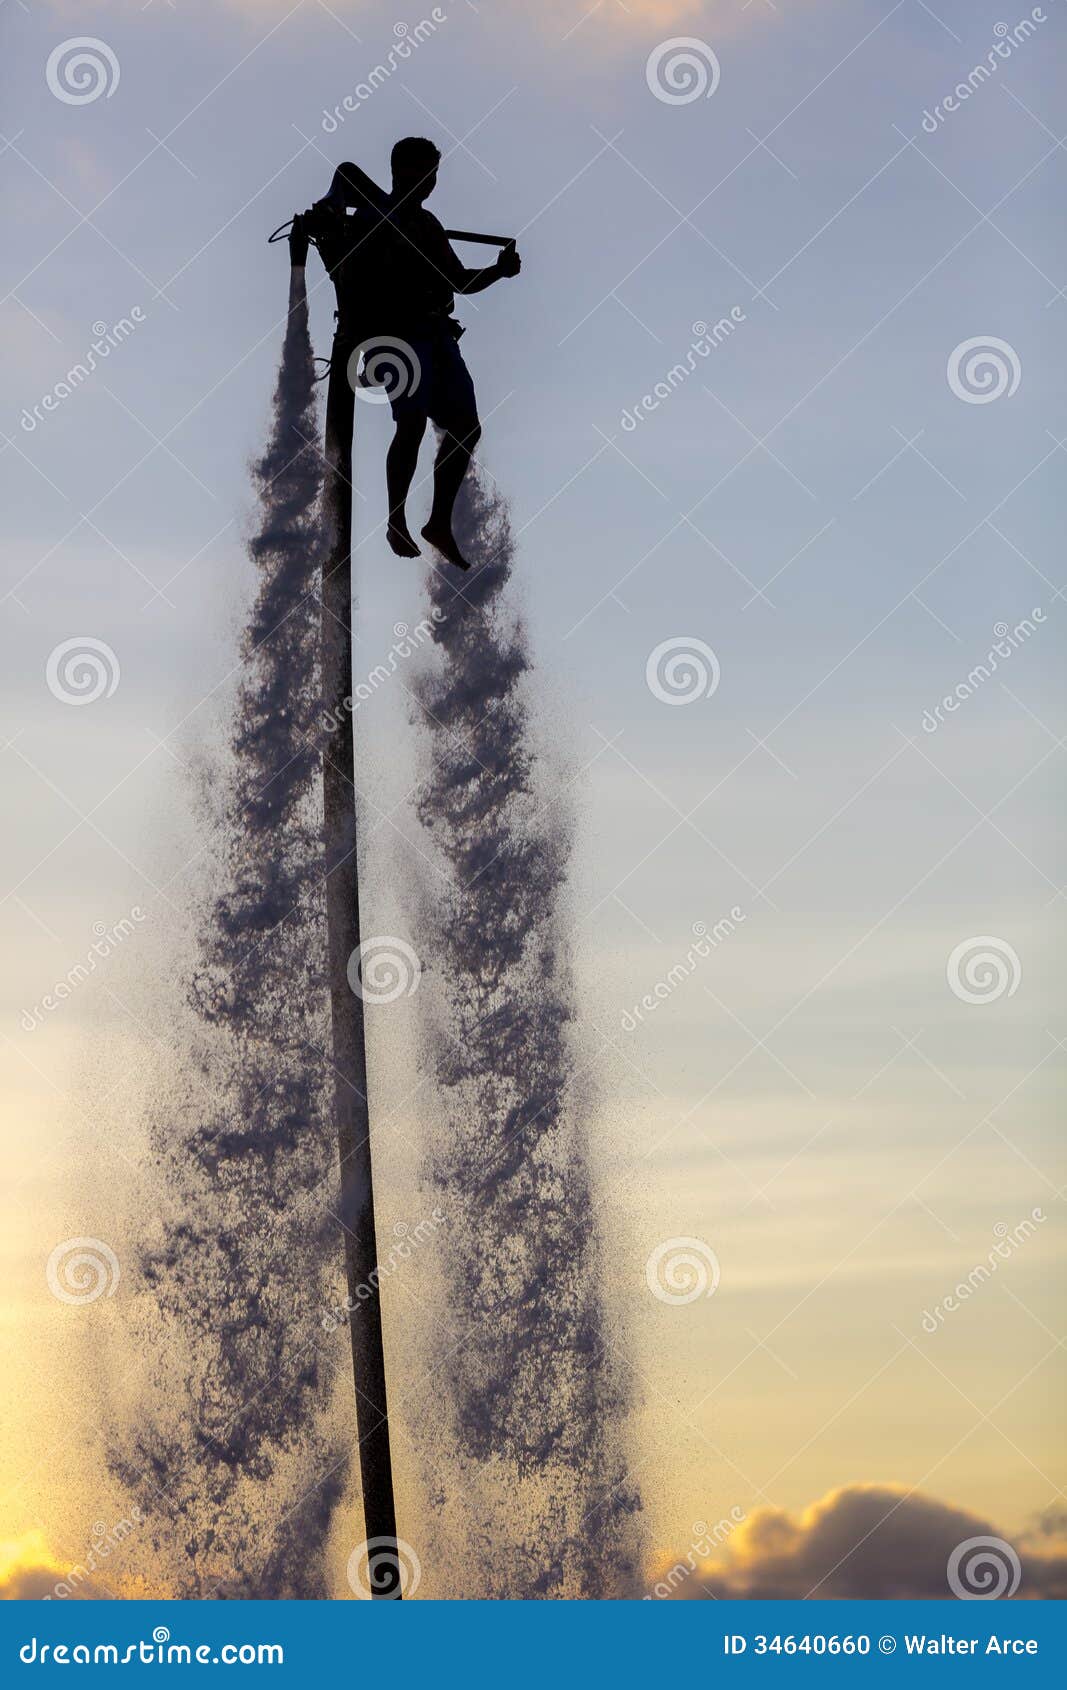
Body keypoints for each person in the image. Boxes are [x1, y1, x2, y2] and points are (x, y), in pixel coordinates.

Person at [315, 138, 521, 571]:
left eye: (432, 174)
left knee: (467, 426)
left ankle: (439, 522)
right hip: (393, 336)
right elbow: (345, 177)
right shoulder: (371, 212)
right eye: (423, 172)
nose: (429, 182)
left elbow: (460, 281)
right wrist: (331, 207)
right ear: (402, 171)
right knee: (410, 420)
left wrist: (499, 272)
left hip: (435, 332)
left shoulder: (426, 225)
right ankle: (395, 519)